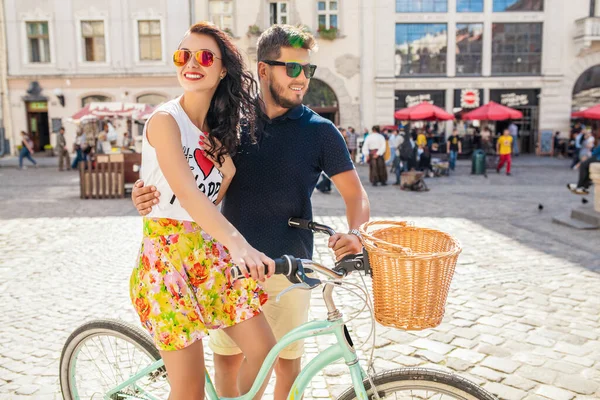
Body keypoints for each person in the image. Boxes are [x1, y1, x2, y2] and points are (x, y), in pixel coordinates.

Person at [132, 24, 369, 400]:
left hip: (289, 261)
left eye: (307, 70)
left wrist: (357, 232)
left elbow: (356, 195)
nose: (301, 78)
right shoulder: (229, 125)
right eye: (292, 68)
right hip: (227, 262)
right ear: (263, 70)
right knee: (224, 362)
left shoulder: (322, 132)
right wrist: (148, 193)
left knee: (284, 358)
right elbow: (189, 188)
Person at [129, 22, 277, 400]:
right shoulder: (165, 120)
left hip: (207, 253)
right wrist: (240, 245)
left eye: (205, 56)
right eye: (184, 55)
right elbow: (189, 197)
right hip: (166, 259)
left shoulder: (217, 136)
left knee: (264, 351)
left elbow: (206, 203)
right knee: (189, 390)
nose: (192, 64)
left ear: (223, 68)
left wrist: (223, 168)